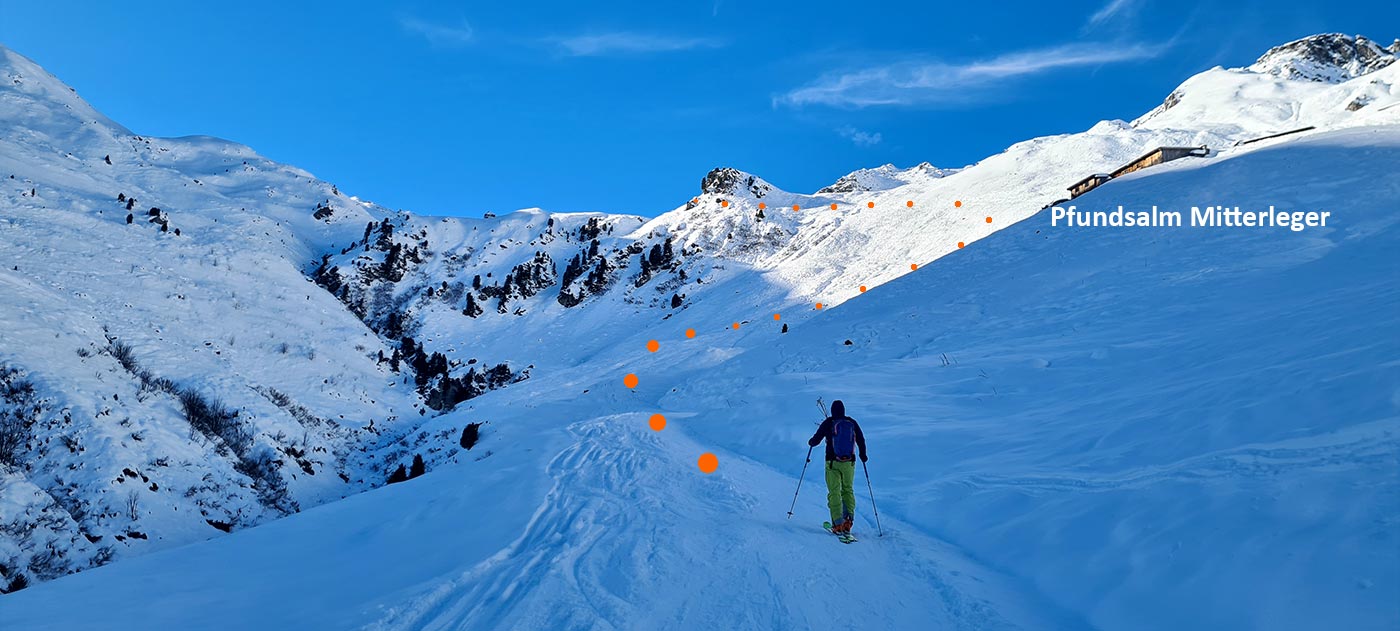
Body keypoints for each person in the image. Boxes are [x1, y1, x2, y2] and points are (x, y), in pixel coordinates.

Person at [808, 399, 866, 534]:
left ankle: (837, 523)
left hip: (832, 462)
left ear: (832, 411)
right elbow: (861, 439)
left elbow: (816, 439)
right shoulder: (851, 422)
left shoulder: (828, 422)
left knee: (834, 492)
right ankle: (848, 521)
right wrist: (863, 455)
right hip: (849, 463)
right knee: (847, 490)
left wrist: (811, 442)